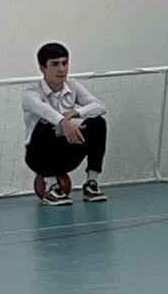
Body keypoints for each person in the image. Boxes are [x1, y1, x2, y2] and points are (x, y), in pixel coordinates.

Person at [23, 43, 109, 204]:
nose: (62, 69)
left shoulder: (72, 86)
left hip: (66, 152)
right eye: (55, 64)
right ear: (43, 68)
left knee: (98, 122)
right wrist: (64, 122)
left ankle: (91, 183)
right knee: (45, 123)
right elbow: (42, 109)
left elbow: (100, 106)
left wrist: (74, 113)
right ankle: (51, 186)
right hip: (38, 156)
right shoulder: (31, 93)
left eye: (65, 63)